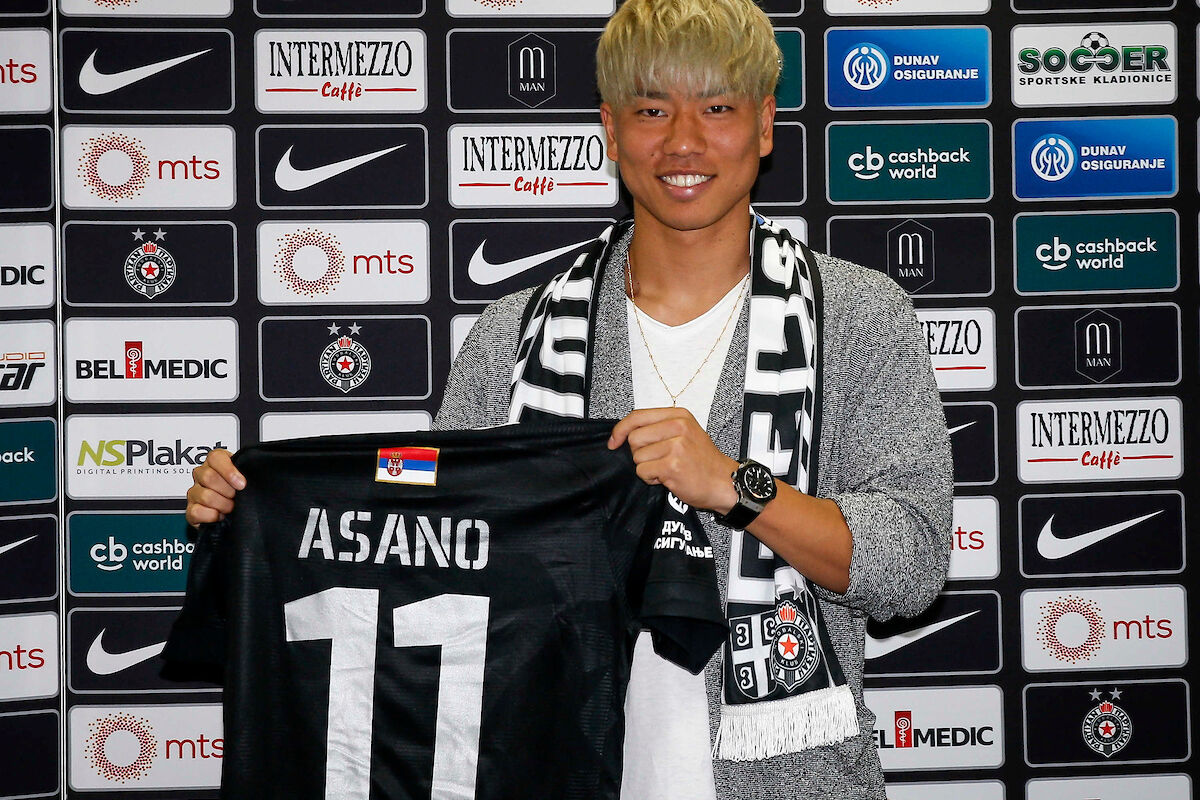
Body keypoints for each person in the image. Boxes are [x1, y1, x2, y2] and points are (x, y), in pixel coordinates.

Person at [186, 0, 952, 797]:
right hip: (546, 770)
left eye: (716, 109)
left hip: (794, 780)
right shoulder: (516, 334)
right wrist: (259, 504)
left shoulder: (859, 318)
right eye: (651, 110)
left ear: (763, 125)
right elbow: (427, 523)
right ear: (611, 129)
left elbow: (913, 561)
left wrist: (734, 486)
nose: (683, 141)